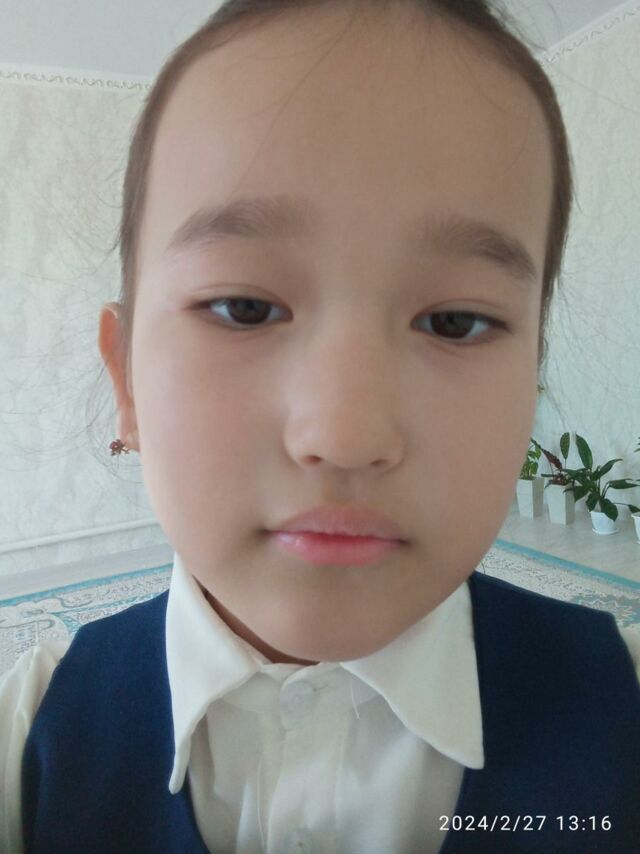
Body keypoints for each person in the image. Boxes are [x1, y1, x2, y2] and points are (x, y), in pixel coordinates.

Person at [2, 0, 639, 851]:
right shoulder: (31, 731)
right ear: (127, 381)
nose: (344, 436)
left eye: (454, 322)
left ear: (534, 379)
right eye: (244, 306)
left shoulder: (621, 701)